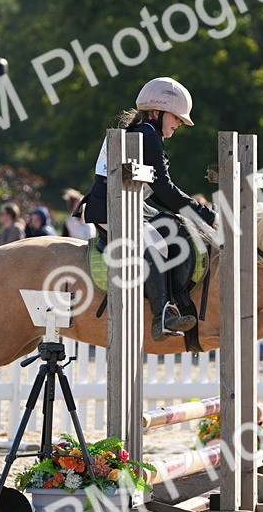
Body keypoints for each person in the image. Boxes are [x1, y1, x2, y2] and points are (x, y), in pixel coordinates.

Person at [78, 76, 215, 342]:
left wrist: (193, 214)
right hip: (112, 207)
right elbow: (165, 190)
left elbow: (161, 196)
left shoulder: (145, 133)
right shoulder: (147, 136)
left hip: (127, 202)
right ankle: (162, 315)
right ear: (156, 111)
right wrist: (206, 215)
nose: (179, 124)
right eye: (176, 117)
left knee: (172, 226)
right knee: (155, 242)